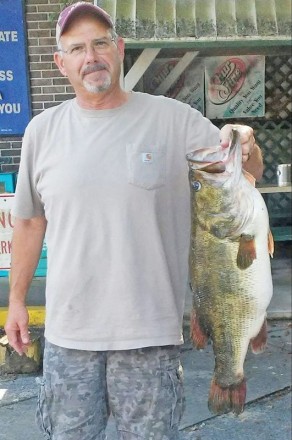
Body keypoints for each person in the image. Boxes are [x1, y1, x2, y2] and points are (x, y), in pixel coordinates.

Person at [4, 2, 264, 439]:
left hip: (150, 335)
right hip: (71, 336)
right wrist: (15, 301)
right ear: (61, 62)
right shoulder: (42, 131)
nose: (92, 57)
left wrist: (247, 141)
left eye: (101, 43)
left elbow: (245, 171)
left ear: (120, 48)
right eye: (78, 48)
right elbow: (30, 223)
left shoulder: (174, 119)